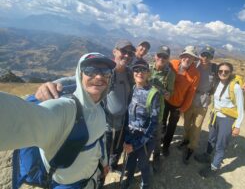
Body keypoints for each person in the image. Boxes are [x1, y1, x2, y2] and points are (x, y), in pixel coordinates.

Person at [0, 52, 115, 188]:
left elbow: (99, 140)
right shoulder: (65, 110)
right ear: (79, 74)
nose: (99, 76)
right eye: (90, 70)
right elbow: (17, 117)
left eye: (105, 71)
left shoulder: (99, 108)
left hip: (91, 180)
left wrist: (104, 162)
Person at [34, 40, 136, 172]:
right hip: (104, 123)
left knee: (116, 149)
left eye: (130, 53)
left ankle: (113, 167)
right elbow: (76, 78)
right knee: (102, 152)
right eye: (123, 51)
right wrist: (52, 84)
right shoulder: (106, 71)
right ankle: (100, 176)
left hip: (121, 123)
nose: (127, 55)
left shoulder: (129, 73)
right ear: (114, 51)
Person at [197, 62, 245, 177]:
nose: (223, 73)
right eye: (220, 71)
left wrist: (237, 126)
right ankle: (207, 156)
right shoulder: (217, 82)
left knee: (220, 144)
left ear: (230, 73)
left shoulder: (236, 87)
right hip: (215, 116)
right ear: (217, 72)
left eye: (226, 71)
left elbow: (241, 108)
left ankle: (214, 167)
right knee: (211, 138)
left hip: (227, 119)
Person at [122, 59, 160, 189]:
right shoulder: (132, 89)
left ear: (148, 73)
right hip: (131, 135)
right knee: (131, 160)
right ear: (133, 73)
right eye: (137, 70)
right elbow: (128, 116)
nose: (140, 73)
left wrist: (137, 144)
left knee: (143, 163)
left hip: (145, 140)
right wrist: (126, 139)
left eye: (143, 70)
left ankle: (145, 183)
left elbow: (154, 124)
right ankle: (129, 178)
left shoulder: (153, 93)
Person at [178, 45, 217, 164]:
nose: (205, 57)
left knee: (196, 127)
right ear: (199, 55)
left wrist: (242, 84)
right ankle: (185, 140)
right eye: (203, 54)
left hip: (203, 102)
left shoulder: (215, 69)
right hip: (190, 99)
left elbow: (228, 76)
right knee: (186, 124)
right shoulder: (194, 66)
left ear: (211, 57)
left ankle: (191, 148)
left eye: (208, 55)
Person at [161, 45, 200, 157]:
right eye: (185, 56)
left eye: (191, 57)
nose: (187, 59)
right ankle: (159, 141)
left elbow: (191, 93)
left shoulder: (195, 74)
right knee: (161, 123)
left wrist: (183, 108)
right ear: (181, 56)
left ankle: (166, 147)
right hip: (164, 100)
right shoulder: (172, 63)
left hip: (178, 105)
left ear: (193, 60)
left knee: (172, 127)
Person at [148, 45, 176, 172]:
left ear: (168, 59)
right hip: (144, 109)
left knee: (157, 135)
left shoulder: (170, 74)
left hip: (158, 110)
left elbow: (169, 94)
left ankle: (156, 157)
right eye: (160, 55)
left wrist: (160, 90)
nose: (162, 58)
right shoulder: (147, 68)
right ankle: (142, 156)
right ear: (155, 56)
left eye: (165, 57)